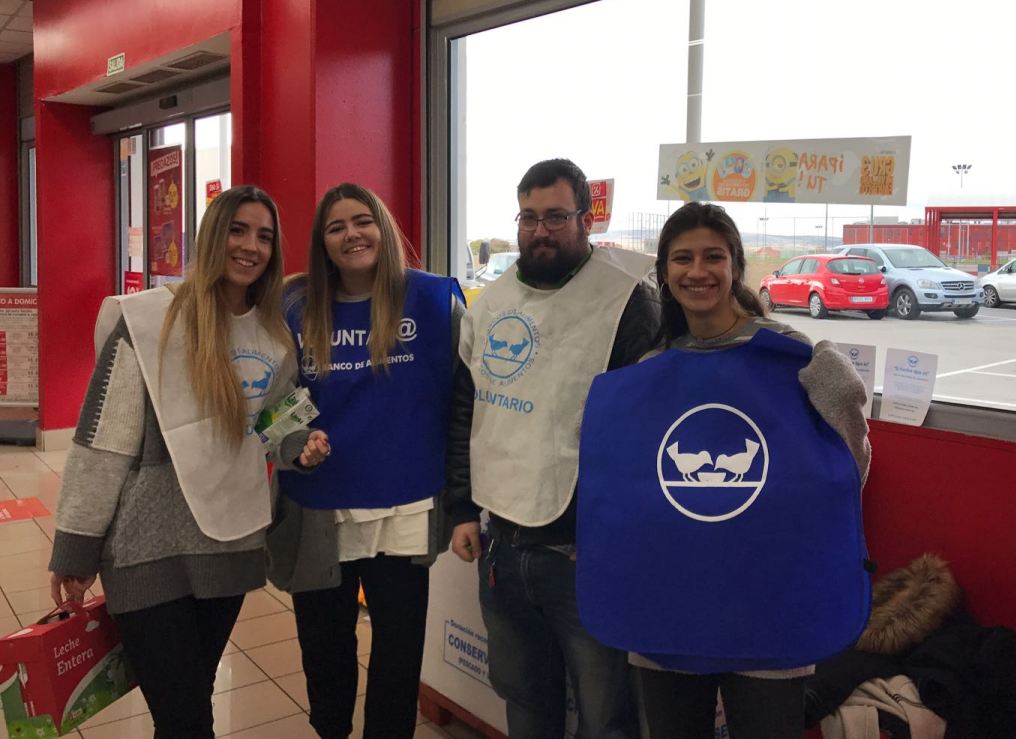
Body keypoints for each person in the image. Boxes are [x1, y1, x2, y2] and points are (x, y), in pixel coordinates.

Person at [48, 185, 330, 739]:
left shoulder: (273, 335)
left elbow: (275, 423)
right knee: (186, 717)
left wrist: (301, 446)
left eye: (264, 236)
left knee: (188, 706)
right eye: (237, 230)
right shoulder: (149, 320)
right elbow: (103, 441)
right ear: (212, 235)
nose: (250, 246)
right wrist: (76, 546)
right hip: (145, 550)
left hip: (228, 543)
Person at [625, 201, 871, 739]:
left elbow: (846, 471)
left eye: (713, 256)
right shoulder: (650, 372)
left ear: (735, 266)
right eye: (682, 258)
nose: (698, 271)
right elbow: (624, 480)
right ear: (664, 273)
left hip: (767, 602)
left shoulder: (792, 358)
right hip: (674, 601)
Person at [447, 158, 660, 739]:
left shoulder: (627, 302)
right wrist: (462, 508)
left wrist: (611, 538)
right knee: (524, 699)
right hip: (501, 545)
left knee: (605, 715)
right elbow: (468, 411)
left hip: (582, 555)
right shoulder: (491, 303)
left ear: (585, 219)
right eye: (529, 217)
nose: (540, 231)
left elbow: (641, 434)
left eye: (556, 217)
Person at [267, 183, 466, 739]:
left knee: (398, 659)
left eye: (362, 221)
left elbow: (466, 400)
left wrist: (464, 500)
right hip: (319, 509)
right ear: (322, 243)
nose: (351, 234)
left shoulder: (434, 300)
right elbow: (271, 405)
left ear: (383, 227)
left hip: (405, 508)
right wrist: (295, 445)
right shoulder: (293, 306)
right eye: (336, 227)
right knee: (325, 653)